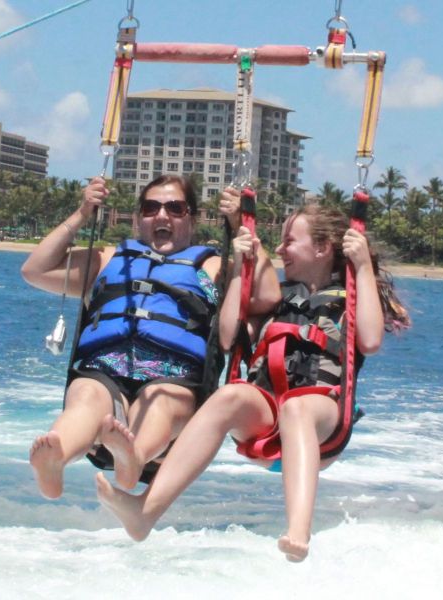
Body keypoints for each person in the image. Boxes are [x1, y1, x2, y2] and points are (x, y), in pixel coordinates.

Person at [96, 203, 410, 562]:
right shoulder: (279, 298)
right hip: (268, 420)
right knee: (230, 395)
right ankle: (144, 513)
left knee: (297, 407)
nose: (280, 249)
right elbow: (228, 337)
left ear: (322, 248)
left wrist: (363, 266)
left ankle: (298, 531)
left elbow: (369, 339)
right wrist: (238, 273)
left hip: (323, 420)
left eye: (290, 241)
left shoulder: (351, 296)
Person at [23, 175, 279, 495]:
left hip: (173, 378)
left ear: (192, 217)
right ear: (138, 218)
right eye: (150, 207)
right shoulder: (108, 259)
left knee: (158, 403)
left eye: (175, 208)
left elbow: (268, 296)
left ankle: (134, 458)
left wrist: (242, 224)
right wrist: (83, 212)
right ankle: (55, 458)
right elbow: (35, 271)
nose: (162, 215)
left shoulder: (214, 266)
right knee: (86, 398)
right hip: (104, 368)